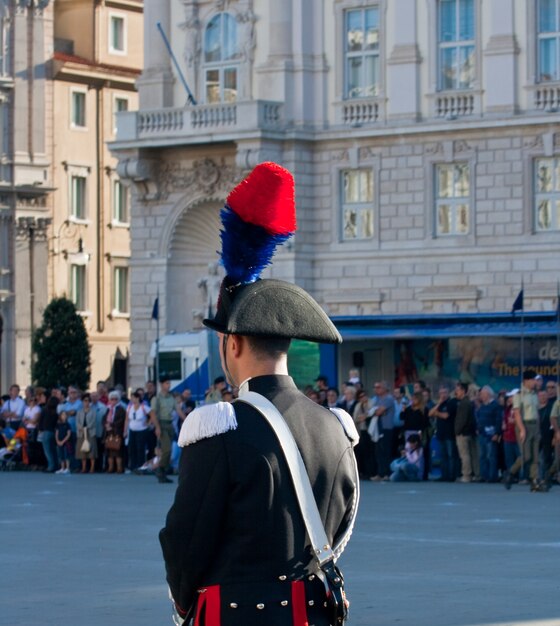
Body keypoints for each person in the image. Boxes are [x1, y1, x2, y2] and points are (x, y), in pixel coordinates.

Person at [160, 161, 359, 625]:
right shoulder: (335, 427)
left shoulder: (220, 429)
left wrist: (185, 604)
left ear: (233, 343)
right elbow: (342, 525)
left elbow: (184, 540)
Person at [504, 370, 542, 491]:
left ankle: (534, 481)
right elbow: (517, 413)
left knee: (536, 456)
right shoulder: (519, 395)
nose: (535, 382)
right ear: (526, 381)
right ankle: (510, 473)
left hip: (535, 425)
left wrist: (538, 428)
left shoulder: (535, 394)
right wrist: (522, 430)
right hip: (524, 425)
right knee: (526, 456)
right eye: (533, 380)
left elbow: (537, 412)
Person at [150, 376, 177, 483]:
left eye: (169, 383)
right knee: (167, 449)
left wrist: (187, 418)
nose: (169, 385)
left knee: (168, 451)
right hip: (161, 424)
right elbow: (152, 413)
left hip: (170, 425)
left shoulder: (171, 398)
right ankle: (160, 469)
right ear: (161, 385)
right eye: (166, 383)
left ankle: (163, 473)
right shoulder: (156, 398)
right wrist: (157, 427)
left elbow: (178, 410)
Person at [430, 386, 458, 482]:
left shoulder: (451, 403)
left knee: (451, 455)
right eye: (441, 393)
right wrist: (438, 404)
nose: (443, 395)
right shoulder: (440, 404)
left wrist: (436, 413)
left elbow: (446, 416)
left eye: (445, 393)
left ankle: (451, 475)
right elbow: (430, 413)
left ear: (448, 393)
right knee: (443, 456)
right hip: (440, 433)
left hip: (449, 434)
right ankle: (444, 475)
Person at [475, 386, 502, 482]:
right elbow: (479, 418)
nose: (480, 396)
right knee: (482, 456)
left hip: (491, 435)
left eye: (482, 394)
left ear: (488, 394)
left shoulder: (495, 406)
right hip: (482, 434)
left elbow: (499, 420)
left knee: (491, 456)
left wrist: (497, 433)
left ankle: (492, 476)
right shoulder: (482, 406)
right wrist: (478, 428)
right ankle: (484, 475)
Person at [454, 382, 480, 483]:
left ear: (463, 391)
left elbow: (462, 419)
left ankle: (466, 474)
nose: (456, 392)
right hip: (469, 432)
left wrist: (457, 431)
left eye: (458, 390)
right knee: (472, 454)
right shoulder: (468, 402)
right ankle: (476, 474)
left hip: (463, 433)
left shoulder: (464, 403)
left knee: (464, 454)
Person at [125, 391, 150, 472]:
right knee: (131, 447)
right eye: (131, 398)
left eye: (134, 398)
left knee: (140, 448)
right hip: (132, 430)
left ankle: (140, 465)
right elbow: (127, 420)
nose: (132, 399)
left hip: (141, 430)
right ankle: (132, 465)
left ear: (138, 398)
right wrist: (125, 430)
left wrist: (148, 423)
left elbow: (153, 415)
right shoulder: (129, 407)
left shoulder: (144, 407)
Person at [103, 390, 126, 474]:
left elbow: (121, 420)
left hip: (117, 432)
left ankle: (119, 468)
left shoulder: (121, 409)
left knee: (117, 451)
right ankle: (110, 467)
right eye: (112, 399)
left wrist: (112, 425)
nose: (113, 401)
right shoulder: (108, 409)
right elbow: (104, 419)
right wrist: (106, 425)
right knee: (109, 451)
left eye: (115, 399)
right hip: (108, 432)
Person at [76, 393, 97, 473]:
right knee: (82, 451)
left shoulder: (93, 411)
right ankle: (84, 468)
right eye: (84, 401)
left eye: (88, 401)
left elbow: (93, 421)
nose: (86, 402)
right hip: (81, 433)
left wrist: (87, 427)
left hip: (90, 432)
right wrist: (80, 427)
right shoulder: (79, 411)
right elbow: (77, 421)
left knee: (91, 450)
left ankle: (92, 467)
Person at [39, 395, 59, 472]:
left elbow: (41, 420)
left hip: (46, 431)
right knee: (53, 450)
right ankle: (56, 465)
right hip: (53, 431)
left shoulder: (45, 410)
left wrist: (40, 429)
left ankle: (51, 466)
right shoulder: (56, 412)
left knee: (47, 450)